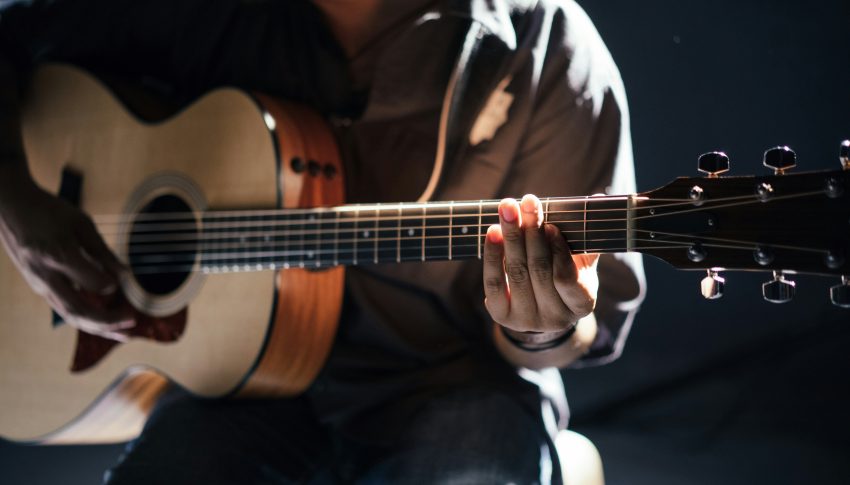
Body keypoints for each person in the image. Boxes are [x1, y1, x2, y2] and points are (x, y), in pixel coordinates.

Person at [0, 0, 645, 483]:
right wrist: (17, 202)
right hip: (237, 390)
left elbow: (583, 329)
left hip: (453, 385)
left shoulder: (548, 45)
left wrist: (542, 325)